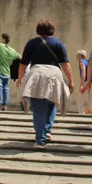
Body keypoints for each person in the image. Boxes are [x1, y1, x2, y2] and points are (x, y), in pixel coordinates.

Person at [17, 20, 74, 148]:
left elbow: (23, 63)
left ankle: (40, 140)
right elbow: (65, 64)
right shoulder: (58, 43)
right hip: (55, 75)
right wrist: (71, 80)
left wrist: (20, 78)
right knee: (52, 103)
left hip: (37, 75)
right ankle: (47, 130)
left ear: (38, 30)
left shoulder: (31, 43)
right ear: (52, 30)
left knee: (38, 109)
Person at [76, 50, 92, 114]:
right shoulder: (87, 62)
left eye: (77, 55)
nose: (76, 56)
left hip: (85, 82)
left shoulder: (81, 61)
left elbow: (83, 72)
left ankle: (81, 115)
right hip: (90, 83)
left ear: (80, 55)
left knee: (80, 101)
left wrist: (82, 84)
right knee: (90, 103)